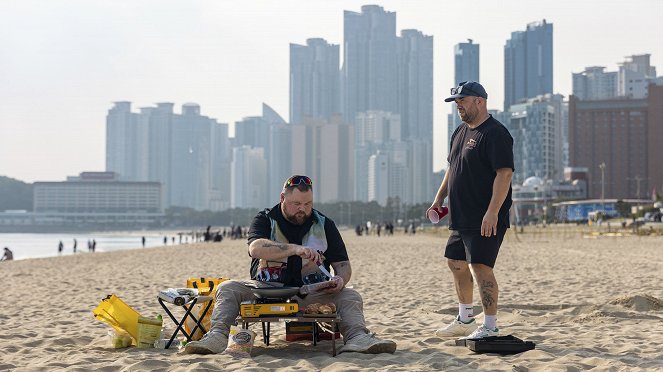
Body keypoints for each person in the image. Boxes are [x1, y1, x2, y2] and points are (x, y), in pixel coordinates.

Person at [184, 175, 396, 355]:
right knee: (227, 288)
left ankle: (358, 337)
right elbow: (256, 248)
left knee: (351, 295)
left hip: (311, 292)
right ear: (282, 198)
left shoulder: (325, 224)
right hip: (266, 290)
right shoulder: (266, 218)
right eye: (297, 204)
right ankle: (218, 336)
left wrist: (341, 279)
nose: (302, 209)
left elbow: (342, 264)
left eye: (308, 204)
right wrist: (295, 249)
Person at [428, 81, 513, 340]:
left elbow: (504, 173)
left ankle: (490, 326)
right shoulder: (459, 132)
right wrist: (438, 199)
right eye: (456, 102)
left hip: (485, 217)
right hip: (460, 215)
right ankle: (465, 318)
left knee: (480, 267)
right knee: (455, 263)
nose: (459, 106)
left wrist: (492, 212)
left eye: (463, 100)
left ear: (480, 101)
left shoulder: (496, 133)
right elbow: (452, 169)